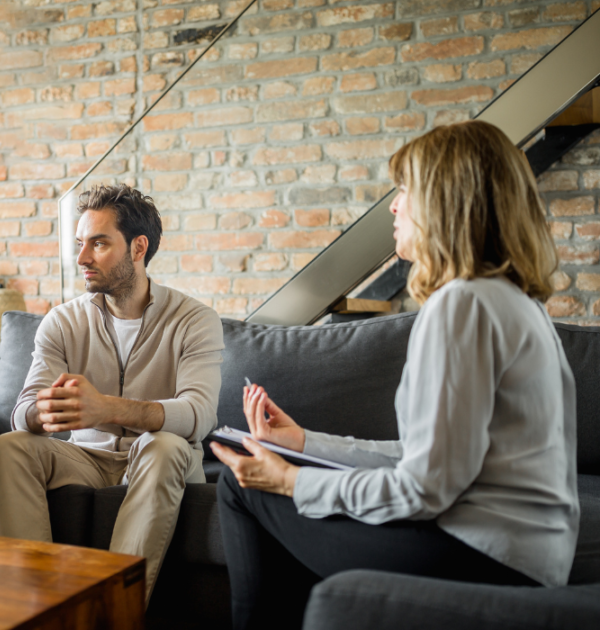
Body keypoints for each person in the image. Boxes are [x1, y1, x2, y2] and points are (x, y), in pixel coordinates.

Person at [210, 120, 580, 628]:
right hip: (522, 554)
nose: (394, 204)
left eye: (405, 190)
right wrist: (302, 443)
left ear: (445, 201)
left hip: (482, 555)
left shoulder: (462, 306)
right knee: (271, 479)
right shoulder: (514, 302)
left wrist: (294, 481)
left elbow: (425, 488)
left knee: (242, 487)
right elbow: (425, 459)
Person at [0, 183, 224, 600]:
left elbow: (198, 414)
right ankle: (37, 604)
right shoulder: (62, 322)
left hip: (160, 459)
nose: (81, 258)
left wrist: (105, 409)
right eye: (80, 244)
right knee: (11, 447)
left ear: (138, 247)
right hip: (87, 458)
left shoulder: (194, 319)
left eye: (98, 244)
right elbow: (21, 410)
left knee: (167, 446)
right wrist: (45, 411)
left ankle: (113, 608)